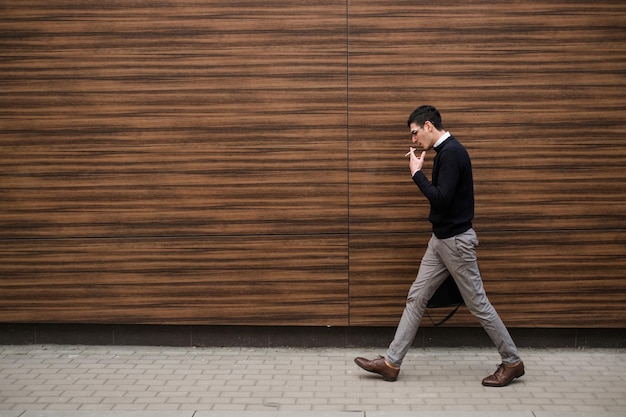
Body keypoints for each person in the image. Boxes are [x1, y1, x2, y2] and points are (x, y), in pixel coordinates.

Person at [354, 105, 524, 387]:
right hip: (441, 241)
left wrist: (416, 174)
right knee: (416, 297)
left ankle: (512, 361)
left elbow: (442, 199)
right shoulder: (446, 153)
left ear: (429, 126)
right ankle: (391, 363)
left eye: (414, 132)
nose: (413, 140)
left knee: (478, 302)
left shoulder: (452, 154)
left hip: (455, 242)